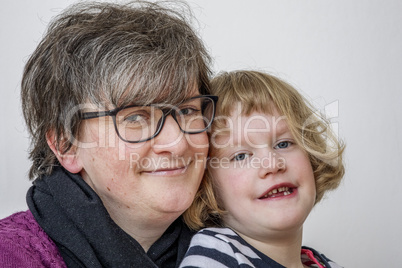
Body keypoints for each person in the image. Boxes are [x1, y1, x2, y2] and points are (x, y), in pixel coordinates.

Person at [0, 1, 218, 267]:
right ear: (66, 144)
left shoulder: (243, 242)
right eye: (136, 117)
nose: (177, 142)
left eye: (186, 111)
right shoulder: (11, 255)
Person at [180, 70, 345, 268]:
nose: (272, 165)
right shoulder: (215, 254)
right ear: (207, 188)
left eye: (283, 144)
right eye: (240, 156)